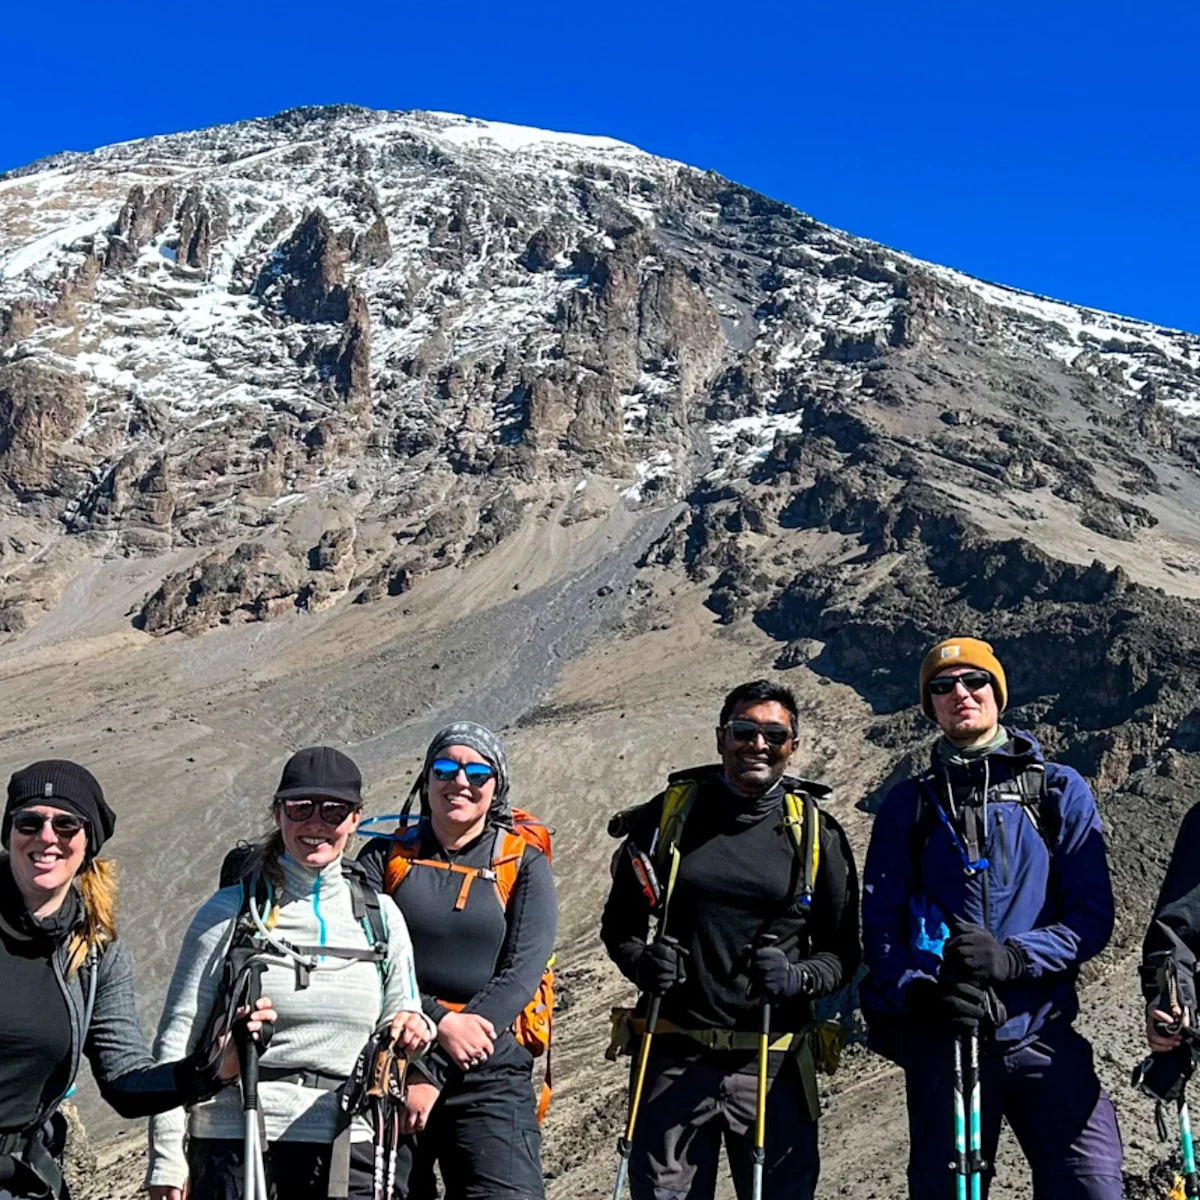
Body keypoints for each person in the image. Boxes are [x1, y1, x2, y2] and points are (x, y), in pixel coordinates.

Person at [861, 636, 1123, 1199]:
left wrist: (1014, 959)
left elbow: (1092, 916)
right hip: (944, 1043)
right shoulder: (908, 807)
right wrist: (921, 995)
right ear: (928, 705)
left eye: (975, 681)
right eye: (942, 686)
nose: (961, 693)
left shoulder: (1055, 790)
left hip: (1042, 1033)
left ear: (998, 693)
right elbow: (880, 929)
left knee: (1094, 1187)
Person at [600, 679, 860, 1200]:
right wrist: (643, 963)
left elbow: (843, 952)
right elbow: (620, 926)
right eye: (745, 731)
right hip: (672, 1053)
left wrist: (798, 978)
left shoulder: (816, 833)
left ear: (794, 746)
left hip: (773, 1060)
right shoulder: (666, 819)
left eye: (774, 734)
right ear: (722, 737)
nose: (757, 744)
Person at [146, 746, 434, 1200]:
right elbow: (177, 1036)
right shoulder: (229, 912)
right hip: (234, 1142)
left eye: (334, 810)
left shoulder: (382, 918)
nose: (316, 824)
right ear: (278, 814)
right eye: (301, 808)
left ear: (356, 819)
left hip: (350, 1145)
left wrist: (416, 1029)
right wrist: (166, 1160)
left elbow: (404, 1012)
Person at [0, 759, 272, 1200]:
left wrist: (211, 1068)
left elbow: (125, 1082)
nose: (46, 837)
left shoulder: (94, 952)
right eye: (29, 822)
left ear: (88, 844)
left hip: (22, 1178)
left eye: (66, 825)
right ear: (9, 834)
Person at [357, 722, 557, 1200]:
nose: (459, 782)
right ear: (425, 782)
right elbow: (367, 958)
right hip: (395, 1056)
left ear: (496, 786)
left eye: (477, 771)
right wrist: (439, 1025)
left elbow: (522, 973)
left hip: (490, 1062)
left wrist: (437, 1064)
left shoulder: (523, 862)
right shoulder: (382, 857)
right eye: (445, 768)